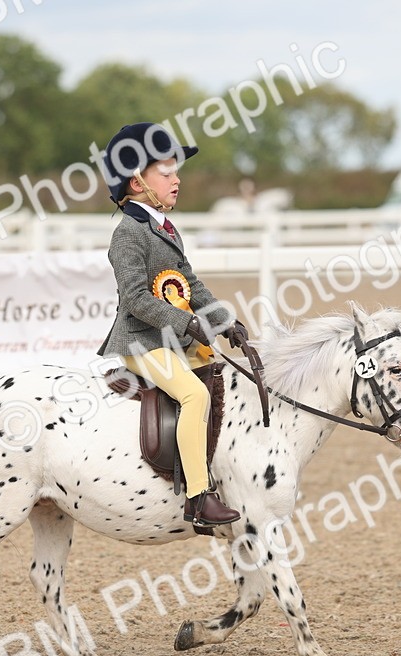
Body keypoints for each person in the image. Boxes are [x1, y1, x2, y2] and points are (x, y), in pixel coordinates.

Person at [96, 122, 249, 528]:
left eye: (175, 172)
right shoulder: (127, 235)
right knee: (194, 396)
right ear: (136, 182)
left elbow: (190, 284)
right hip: (140, 343)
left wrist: (224, 322)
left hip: (168, 338)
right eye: (165, 173)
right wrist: (188, 324)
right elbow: (135, 299)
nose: (176, 180)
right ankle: (198, 498)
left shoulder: (163, 228)